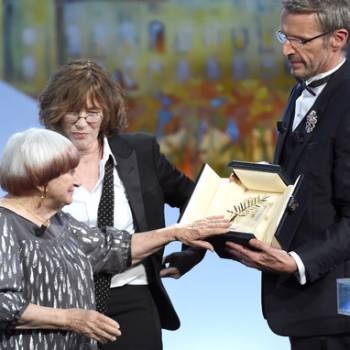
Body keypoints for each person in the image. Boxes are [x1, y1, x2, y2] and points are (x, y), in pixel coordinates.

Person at [0, 128, 230, 350]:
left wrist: (174, 233)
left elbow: (110, 247)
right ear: (41, 179)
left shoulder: (59, 222)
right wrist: (71, 319)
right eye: (70, 172)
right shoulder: (5, 223)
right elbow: (4, 305)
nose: (77, 181)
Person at [38, 59, 206, 349]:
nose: (81, 122)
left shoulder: (140, 153)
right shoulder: (38, 163)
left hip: (134, 298)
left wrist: (190, 252)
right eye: (72, 112)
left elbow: (195, 197)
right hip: (61, 304)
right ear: (56, 113)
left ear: (107, 113)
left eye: (92, 112)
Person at [225, 1, 350, 349]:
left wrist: (297, 262)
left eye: (300, 40)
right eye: (284, 36)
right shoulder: (302, 89)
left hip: (338, 311)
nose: (286, 49)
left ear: (338, 38)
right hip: (309, 310)